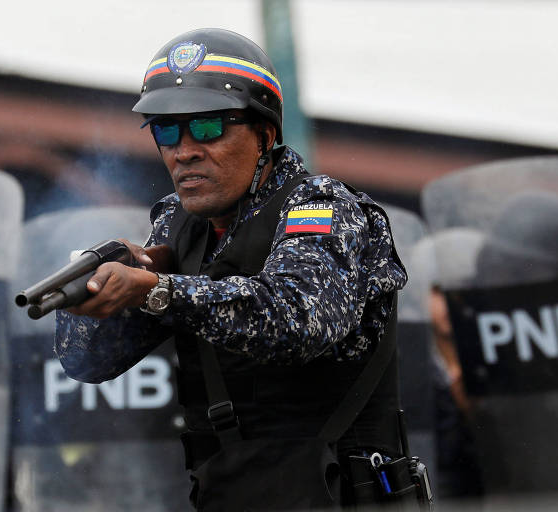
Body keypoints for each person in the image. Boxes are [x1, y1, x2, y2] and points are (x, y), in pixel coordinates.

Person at [55, 28, 408, 509]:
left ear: (264, 134)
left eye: (207, 128)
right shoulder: (178, 223)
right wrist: (91, 292)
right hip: (234, 492)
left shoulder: (320, 205)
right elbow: (88, 362)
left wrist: (158, 289)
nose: (184, 150)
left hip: (341, 494)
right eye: (165, 131)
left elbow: (298, 321)